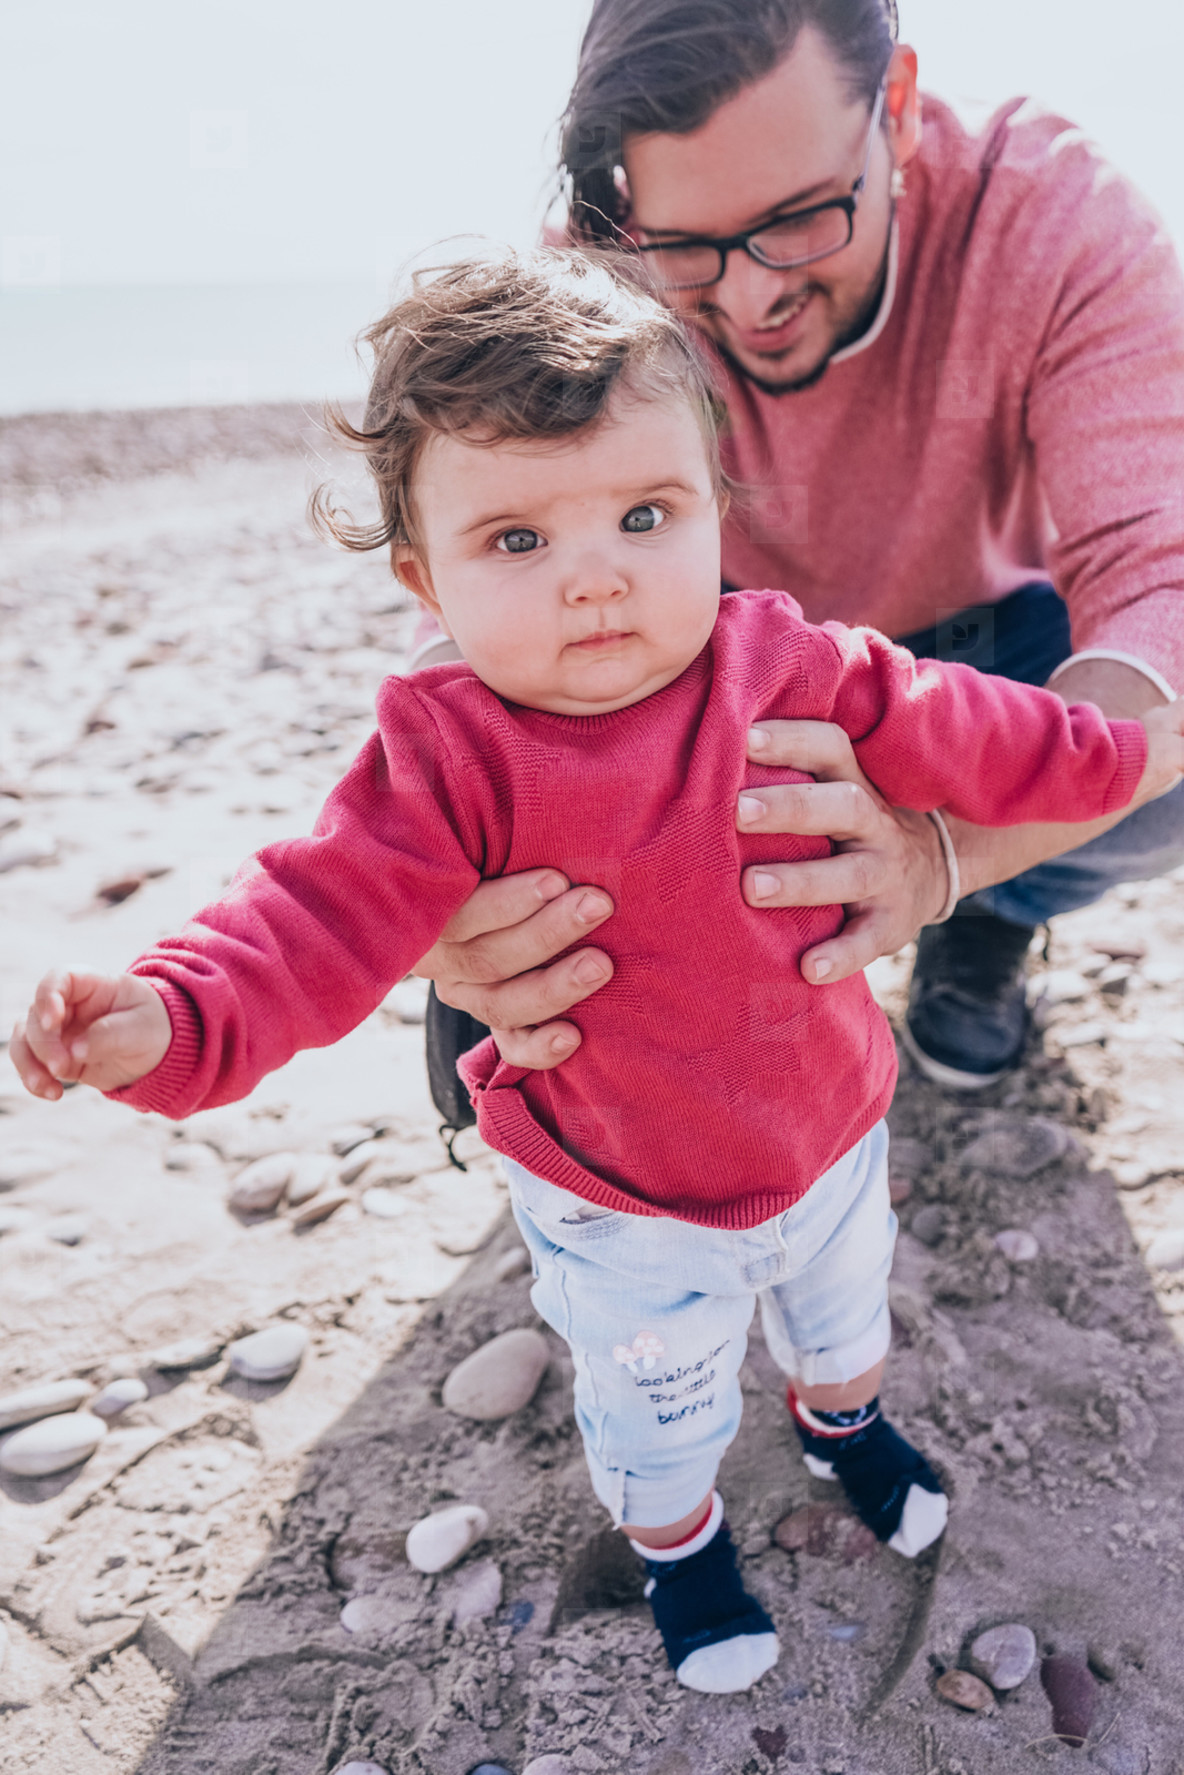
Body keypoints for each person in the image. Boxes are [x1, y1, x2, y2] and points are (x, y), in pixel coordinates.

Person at [13, 250, 1183, 1695]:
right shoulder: (446, 757)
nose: (597, 573)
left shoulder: (784, 662)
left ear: (714, 508)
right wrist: (176, 1012)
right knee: (657, 1408)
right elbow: (304, 913)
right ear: (420, 577)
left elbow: (972, 726)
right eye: (516, 538)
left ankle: (842, 1423)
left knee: (845, 1312)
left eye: (645, 513)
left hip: (827, 1127)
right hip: (625, 1196)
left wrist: (1121, 747)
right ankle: (685, 1549)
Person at [412, 0, 1184, 1104]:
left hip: (991, 657)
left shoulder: (1053, 217)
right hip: (718, 672)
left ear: (899, 112)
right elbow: (481, 601)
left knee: (1155, 760)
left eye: (802, 217)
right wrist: (452, 879)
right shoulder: (593, 281)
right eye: (686, 247)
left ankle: (987, 913)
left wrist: (946, 856)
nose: (751, 295)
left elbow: (1159, 577)